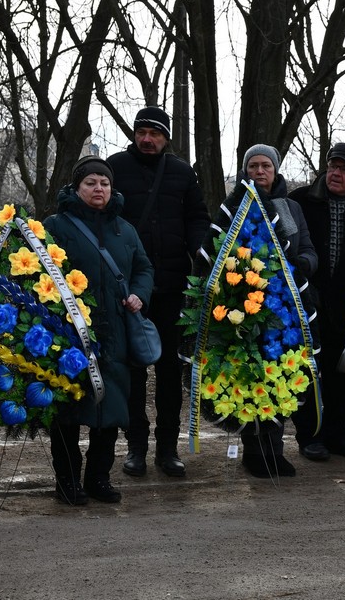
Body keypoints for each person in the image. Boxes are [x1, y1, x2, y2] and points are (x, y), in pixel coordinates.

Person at [43, 157, 154, 504]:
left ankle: (98, 478)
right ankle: (67, 480)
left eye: (104, 183)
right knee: (68, 409)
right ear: (76, 187)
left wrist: (139, 294)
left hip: (116, 333)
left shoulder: (125, 229)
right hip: (69, 335)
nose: (98, 189)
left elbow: (144, 268)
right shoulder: (55, 226)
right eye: (90, 183)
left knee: (111, 408)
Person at [107, 107, 210, 479]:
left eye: (155, 133)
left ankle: (168, 448)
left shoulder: (182, 172)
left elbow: (197, 217)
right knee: (133, 371)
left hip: (172, 286)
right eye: (142, 132)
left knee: (169, 371)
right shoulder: (114, 167)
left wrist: (201, 250)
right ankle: (136, 446)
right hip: (128, 288)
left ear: (166, 137)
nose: (147, 139)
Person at [288, 143, 345, 462]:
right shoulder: (300, 201)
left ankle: (338, 435)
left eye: (344, 169)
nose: (336, 174)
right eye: (332, 167)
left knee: (341, 376)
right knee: (307, 372)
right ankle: (310, 437)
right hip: (305, 302)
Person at [232, 144, 317, 477]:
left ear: (276, 170)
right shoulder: (233, 205)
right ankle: (254, 452)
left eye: (265, 165)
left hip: (285, 309)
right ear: (245, 170)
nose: (259, 171)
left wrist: (301, 264)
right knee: (252, 376)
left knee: (280, 376)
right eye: (253, 166)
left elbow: (309, 249)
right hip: (246, 306)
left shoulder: (292, 207)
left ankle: (275, 450)